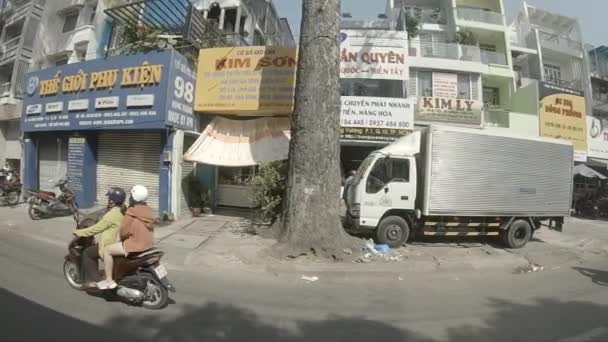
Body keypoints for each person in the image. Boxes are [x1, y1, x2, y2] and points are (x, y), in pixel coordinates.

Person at [97, 185, 155, 290]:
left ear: (134, 197)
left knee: (107, 250)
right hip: (149, 244)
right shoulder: (148, 210)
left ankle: (109, 280)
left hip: (136, 245)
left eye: (131, 195)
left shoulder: (132, 211)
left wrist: (121, 238)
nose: (129, 197)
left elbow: (124, 232)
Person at [73, 188, 126, 287]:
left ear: (112, 200)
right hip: (118, 242)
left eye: (109, 198)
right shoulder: (123, 210)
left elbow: (96, 229)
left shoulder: (112, 215)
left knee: (88, 253)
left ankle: (97, 281)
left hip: (109, 244)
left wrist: (78, 232)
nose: (108, 200)